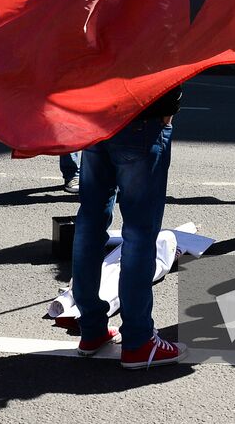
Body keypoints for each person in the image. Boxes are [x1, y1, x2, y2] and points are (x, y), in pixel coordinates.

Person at [72, 83, 185, 369]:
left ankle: (91, 329)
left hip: (97, 112)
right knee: (139, 233)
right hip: (142, 116)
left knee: (90, 221)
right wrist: (168, 108)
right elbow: (173, 53)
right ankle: (137, 339)